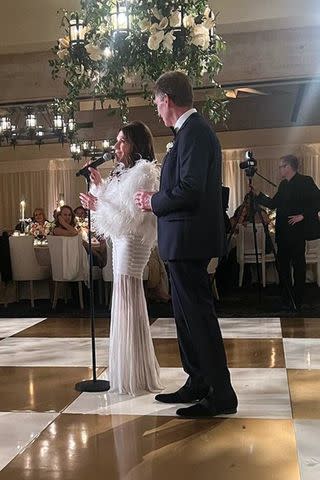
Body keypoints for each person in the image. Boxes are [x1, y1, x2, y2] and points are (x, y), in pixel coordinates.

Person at [135, 71, 237, 418]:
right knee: (185, 317)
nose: (156, 110)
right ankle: (197, 380)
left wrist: (153, 201)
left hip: (190, 240)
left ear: (167, 99)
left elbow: (191, 189)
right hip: (182, 241)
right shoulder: (188, 134)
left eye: (157, 102)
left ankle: (221, 393)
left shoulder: (196, 132)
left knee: (199, 317)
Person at [79, 121, 163, 396]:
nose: (115, 147)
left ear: (136, 144)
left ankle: (134, 374)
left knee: (129, 299)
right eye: (116, 141)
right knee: (124, 300)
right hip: (121, 242)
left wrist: (98, 204)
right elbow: (115, 205)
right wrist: (99, 187)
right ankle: (128, 370)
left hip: (132, 242)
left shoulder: (144, 172)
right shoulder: (122, 173)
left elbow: (129, 218)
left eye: (121, 141)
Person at [256, 154, 320, 309]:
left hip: (297, 232)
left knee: (298, 265)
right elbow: (273, 204)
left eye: (281, 166)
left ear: (288, 166)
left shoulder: (306, 181)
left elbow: (318, 200)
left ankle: (298, 298)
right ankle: (287, 296)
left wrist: (303, 215)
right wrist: (257, 195)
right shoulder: (283, 185)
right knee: (283, 266)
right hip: (282, 232)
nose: (279, 169)